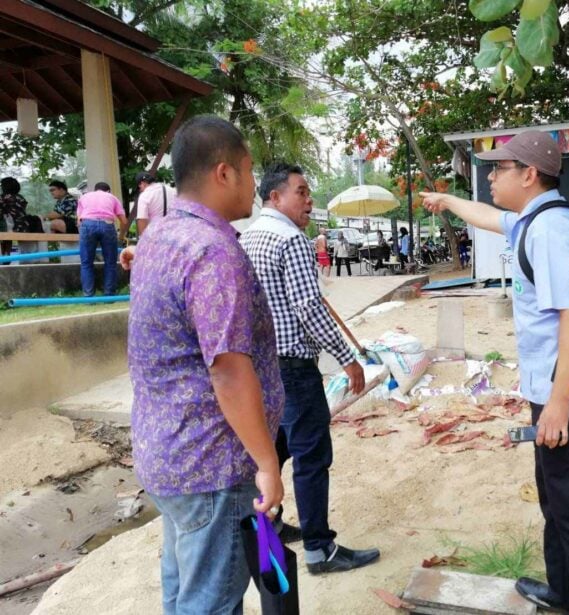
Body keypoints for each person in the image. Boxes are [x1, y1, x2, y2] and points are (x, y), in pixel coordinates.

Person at [421, 131, 569, 614]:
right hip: (559, 387)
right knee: (557, 500)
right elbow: (491, 217)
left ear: (529, 174)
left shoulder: (553, 230)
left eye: (500, 168)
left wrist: (557, 405)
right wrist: (449, 200)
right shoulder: (534, 219)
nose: (491, 176)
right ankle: (564, 591)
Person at [124, 115, 284, 613]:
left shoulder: (160, 236)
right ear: (224, 173)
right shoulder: (213, 252)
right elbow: (228, 370)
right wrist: (266, 462)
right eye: (250, 169)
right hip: (211, 465)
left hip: (168, 452)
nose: (255, 183)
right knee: (211, 602)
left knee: (183, 591)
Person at [239, 162, 380, 574]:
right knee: (311, 455)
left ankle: (272, 522)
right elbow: (308, 309)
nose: (308, 200)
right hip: (294, 368)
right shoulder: (291, 240)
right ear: (275, 197)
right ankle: (320, 549)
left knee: (274, 449)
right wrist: (347, 357)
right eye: (301, 192)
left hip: (261, 366)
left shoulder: (250, 238)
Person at [76, 182, 128, 296]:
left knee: (86, 263)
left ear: (94, 190)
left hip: (87, 224)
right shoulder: (112, 198)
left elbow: (79, 221)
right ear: (108, 191)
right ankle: (109, 294)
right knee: (110, 263)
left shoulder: (84, 197)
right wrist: (121, 236)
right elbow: (124, 221)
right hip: (107, 224)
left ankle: (88, 296)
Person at [135, 170, 177, 236]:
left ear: (143, 183)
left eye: (139, 187)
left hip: (156, 235)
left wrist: (142, 240)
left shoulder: (145, 196)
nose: (140, 190)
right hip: (174, 232)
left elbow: (142, 220)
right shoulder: (172, 190)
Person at [1, 177, 28, 257]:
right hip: (23, 225)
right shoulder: (20, 197)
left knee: (3, 225)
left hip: (11, 226)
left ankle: (4, 255)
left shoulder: (4, 197)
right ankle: (6, 255)